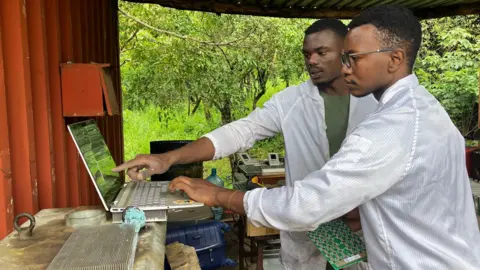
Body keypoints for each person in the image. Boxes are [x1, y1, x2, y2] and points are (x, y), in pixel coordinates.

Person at [166, 5, 480, 269]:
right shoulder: (425, 109)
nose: (344, 68)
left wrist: (219, 196)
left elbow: (307, 203)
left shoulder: (391, 125)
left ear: (394, 59)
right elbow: (411, 195)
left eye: (352, 58)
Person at [113, 19, 378, 270]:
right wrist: (167, 159)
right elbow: (241, 131)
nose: (312, 61)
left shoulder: (376, 103)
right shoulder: (291, 101)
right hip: (308, 231)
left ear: (346, 52)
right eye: (306, 54)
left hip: (361, 226)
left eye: (322, 52)